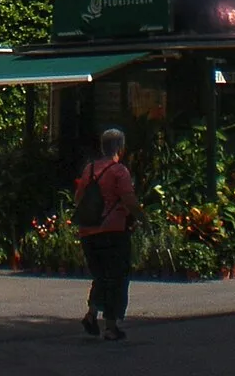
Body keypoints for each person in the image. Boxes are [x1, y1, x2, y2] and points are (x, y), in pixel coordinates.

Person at [74, 128, 138, 342]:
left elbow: (78, 199)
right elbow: (128, 199)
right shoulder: (119, 171)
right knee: (117, 277)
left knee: (100, 276)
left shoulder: (89, 169)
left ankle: (92, 314)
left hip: (88, 231)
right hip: (113, 231)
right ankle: (111, 326)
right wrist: (141, 217)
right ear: (120, 148)